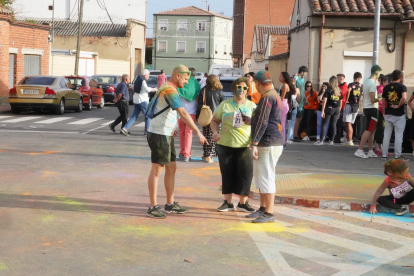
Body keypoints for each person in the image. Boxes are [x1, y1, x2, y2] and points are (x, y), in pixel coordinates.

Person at [146, 65, 208, 219]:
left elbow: (170, 111)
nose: (186, 82)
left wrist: (173, 126)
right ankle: (153, 207)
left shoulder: (170, 88)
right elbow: (182, 112)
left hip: (165, 133)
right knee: (157, 170)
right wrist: (198, 132)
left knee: (171, 168)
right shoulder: (169, 89)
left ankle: (170, 203)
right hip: (159, 133)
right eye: (186, 79)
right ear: (178, 75)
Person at [210, 77, 256, 213]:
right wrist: (214, 132)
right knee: (227, 173)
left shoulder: (252, 106)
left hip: (245, 145)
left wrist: (255, 143)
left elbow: (258, 125)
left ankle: (243, 203)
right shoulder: (225, 104)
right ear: (234, 88)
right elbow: (214, 121)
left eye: (244, 88)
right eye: (239, 87)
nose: (241, 90)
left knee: (245, 174)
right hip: (225, 144)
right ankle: (228, 202)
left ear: (248, 90)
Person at [248, 70, 283, 223]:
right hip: (269, 141)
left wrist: (254, 143)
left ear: (258, 83)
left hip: (268, 142)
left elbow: (263, 121)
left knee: (267, 177)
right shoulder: (273, 94)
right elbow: (264, 119)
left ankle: (269, 213)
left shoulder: (268, 97)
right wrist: (250, 120)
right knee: (262, 176)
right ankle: (263, 208)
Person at [355, 65, 382, 158]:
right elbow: (373, 100)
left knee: (372, 131)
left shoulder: (366, 82)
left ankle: (370, 150)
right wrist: (381, 97)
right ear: (377, 72)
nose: (379, 75)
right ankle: (359, 150)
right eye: (379, 73)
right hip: (372, 108)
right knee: (368, 130)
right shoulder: (371, 84)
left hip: (367, 108)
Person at [196, 74, 224, 163]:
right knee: (214, 135)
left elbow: (199, 104)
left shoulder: (203, 90)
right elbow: (223, 105)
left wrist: (197, 116)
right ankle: (211, 155)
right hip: (216, 117)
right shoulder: (219, 91)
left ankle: (206, 154)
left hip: (206, 115)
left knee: (206, 135)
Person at [381, 70, 408, 161]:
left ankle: (384, 155)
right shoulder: (402, 87)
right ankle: (397, 155)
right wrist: (398, 105)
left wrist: (384, 112)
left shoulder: (386, 87)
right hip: (399, 114)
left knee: (387, 135)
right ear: (400, 77)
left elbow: (384, 101)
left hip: (388, 113)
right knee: (398, 135)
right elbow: (404, 97)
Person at [121, 70, 156, 136]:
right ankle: (147, 131)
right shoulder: (143, 80)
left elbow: (133, 87)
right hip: (142, 100)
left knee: (134, 116)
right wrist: (154, 89)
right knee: (148, 116)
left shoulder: (137, 79)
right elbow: (147, 89)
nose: (148, 76)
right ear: (145, 75)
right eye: (148, 75)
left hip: (136, 100)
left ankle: (125, 128)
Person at [177, 68, 201, 162]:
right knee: (188, 133)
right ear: (194, 75)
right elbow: (198, 98)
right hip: (191, 112)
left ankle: (182, 152)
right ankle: (187, 154)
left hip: (181, 111)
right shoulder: (196, 84)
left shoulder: (181, 82)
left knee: (182, 133)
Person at [314, 76, 342, 146]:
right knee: (333, 124)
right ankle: (332, 140)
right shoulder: (339, 90)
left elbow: (324, 101)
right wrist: (339, 110)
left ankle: (321, 140)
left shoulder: (328, 90)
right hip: (337, 108)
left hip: (329, 108)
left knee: (324, 124)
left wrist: (322, 110)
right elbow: (341, 102)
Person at [342, 72, 362, 146]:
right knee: (351, 123)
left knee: (348, 123)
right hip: (356, 106)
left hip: (349, 105)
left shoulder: (351, 84)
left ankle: (349, 140)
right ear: (359, 78)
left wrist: (346, 99)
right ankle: (348, 139)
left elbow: (348, 90)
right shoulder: (361, 86)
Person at [374, 75, 390, 155]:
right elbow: (380, 102)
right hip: (381, 111)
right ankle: (378, 148)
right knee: (380, 129)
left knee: (381, 129)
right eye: (387, 82)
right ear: (384, 82)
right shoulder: (381, 88)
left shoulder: (384, 88)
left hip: (382, 111)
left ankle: (381, 148)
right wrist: (383, 112)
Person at [293, 66, 308, 142]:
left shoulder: (302, 79)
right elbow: (294, 89)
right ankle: (294, 135)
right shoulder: (296, 78)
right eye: (305, 73)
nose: (306, 75)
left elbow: (302, 90)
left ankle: (295, 134)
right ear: (302, 72)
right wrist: (295, 100)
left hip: (301, 102)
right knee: (296, 119)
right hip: (297, 102)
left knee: (299, 119)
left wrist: (305, 98)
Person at [279, 72, 294, 145]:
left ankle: (283, 142)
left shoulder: (285, 85)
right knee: (282, 123)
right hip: (284, 103)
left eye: (281, 76)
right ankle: (282, 141)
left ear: (284, 78)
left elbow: (282, 97)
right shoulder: (284, 85)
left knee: (282, 123)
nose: (279, 77)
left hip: (283, 104)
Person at [286, 79, 300, 144]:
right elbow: (298, 98)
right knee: (292, 122)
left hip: (287, 104)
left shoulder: (286, 88)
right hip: (293, 104)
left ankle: (285, 137)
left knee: (286, 122)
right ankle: (289, 138)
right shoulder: (296, 89)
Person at [336, 74, 348, 143]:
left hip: (342, 106)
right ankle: (338, 136)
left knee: (341, 123)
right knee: (338, 123)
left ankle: (345, 136)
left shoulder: (344, 87)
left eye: (337, 78)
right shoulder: (339, 86)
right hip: (338, 106)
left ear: (341, 79)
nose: (336, 79)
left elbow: (340, 95)